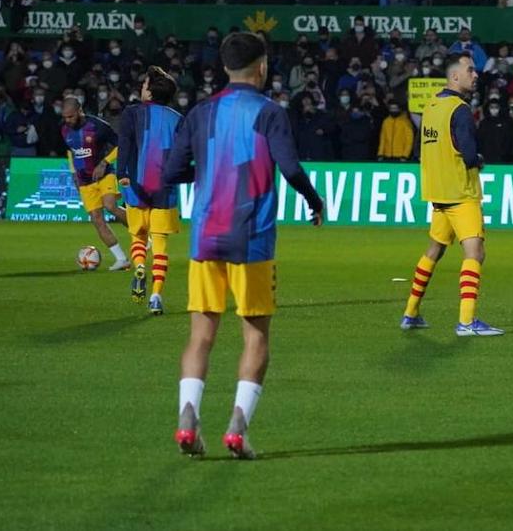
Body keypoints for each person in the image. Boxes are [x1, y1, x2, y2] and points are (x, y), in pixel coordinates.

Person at [162, 32, 325, 459]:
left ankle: (187, 417)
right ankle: (237, 426)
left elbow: (171, 170)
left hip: (205, 238)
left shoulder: (200, 112)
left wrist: (207, 173)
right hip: (251, 240)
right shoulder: (270, 113)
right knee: (255, 337)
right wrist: (313, 199)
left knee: (201, 335)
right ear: (263, 67)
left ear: (224, 67)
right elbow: (289, 166)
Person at [400, 53, 503, 337]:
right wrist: (479, 159)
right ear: (454, 76)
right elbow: (468, 155)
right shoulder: (459, 109)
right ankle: (467, 322)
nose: (476, 74)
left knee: (434, 250)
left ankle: (411, 312)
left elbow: (425, 149)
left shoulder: (431, 106)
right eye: (470, 70)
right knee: (475, 252)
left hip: (438, 194)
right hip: (460, 192)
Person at [116, 66, 182, 315]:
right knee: (161, 243)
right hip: (164, 188)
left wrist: (121, 173)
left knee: (139, 235)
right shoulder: (178, 119)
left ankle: (140, 265)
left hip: (135, 183)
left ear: (150, 93)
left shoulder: (132, 113)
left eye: (144, 85)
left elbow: (125, 144)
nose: (141, 88)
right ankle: (156, 295)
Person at [61, 96, 131, 272]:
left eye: (70, 116)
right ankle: (121, 259)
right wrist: (73, 174)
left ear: (79, 111)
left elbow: (121, 144)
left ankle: (142, 234)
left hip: (105, 174)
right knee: (97, 219)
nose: (67, 120)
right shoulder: (64, 130)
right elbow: (71, 153)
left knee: (111, 206)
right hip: (84, 181)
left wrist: (104, 162)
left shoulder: (97, 126)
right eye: (65, 117)